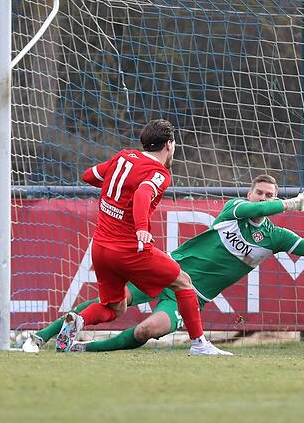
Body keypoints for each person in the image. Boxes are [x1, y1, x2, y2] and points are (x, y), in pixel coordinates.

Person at [23, 174, 304, 354]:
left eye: (272, 194)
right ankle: (37, 338)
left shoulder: (275, 237)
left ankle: (79, 350)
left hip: (191, 296)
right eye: (261, 192)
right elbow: (254, 209)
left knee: (148, 331)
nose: (265, 197)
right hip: (165, 271)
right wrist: (286, 203)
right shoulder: (233, 210)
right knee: (109, 305)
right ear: (250, 193)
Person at [54, 119, 215, 356]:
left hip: (100, 249)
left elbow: (89, 175)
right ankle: (200, 344)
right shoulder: (160, 173)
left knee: (114, 308)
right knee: (183, 281)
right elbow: (142, 193)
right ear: (169, 145)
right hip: (130, 250)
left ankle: (77, 320)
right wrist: (141, 227)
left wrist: (115, 187)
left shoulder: (123, 157)